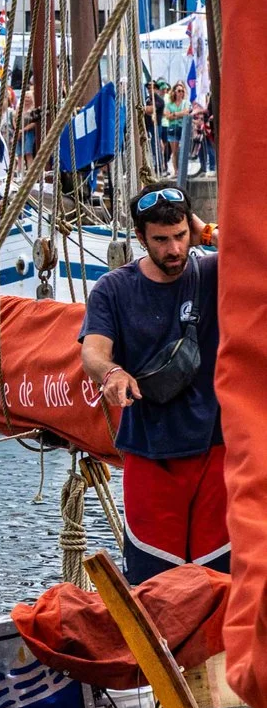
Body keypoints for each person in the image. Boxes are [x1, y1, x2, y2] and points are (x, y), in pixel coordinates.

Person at [80, 181, 225, 581]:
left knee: (220, 579)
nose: (174, 249)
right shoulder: (114, 288)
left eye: (181, 236)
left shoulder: (213, 272)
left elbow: (255, 251)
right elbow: (93, 351)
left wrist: (208, 232)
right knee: (154, 583)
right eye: (161, 240)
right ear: (141, 237)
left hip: (215, 449)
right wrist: (112, 372)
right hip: (150, 453)